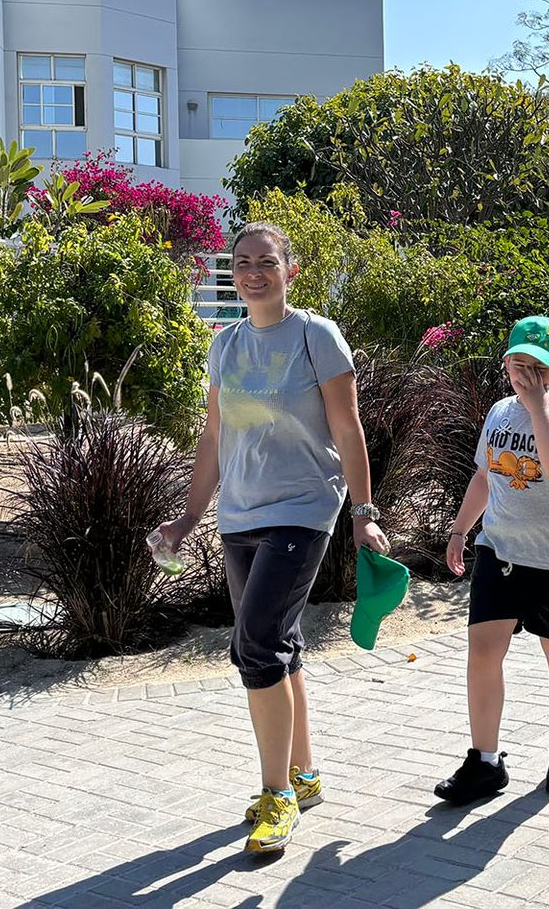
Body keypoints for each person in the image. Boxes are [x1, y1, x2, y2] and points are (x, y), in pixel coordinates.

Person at [149, 222, 391, 856]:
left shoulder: (316, 336)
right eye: (243, 263)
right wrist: (188, 516)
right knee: (278, 647)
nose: (254, 272)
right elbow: (213, 440)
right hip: (240, 515)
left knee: (254, 643)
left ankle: (276, 795)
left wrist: (363, 512)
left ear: (290, 270)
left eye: (267, 262)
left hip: (305, 509)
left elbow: (349, 427)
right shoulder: (225, 346)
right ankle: (304, 776)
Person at [435, 316, 549, 805]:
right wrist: (462, 529)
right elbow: (485, 477)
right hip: (499, 550)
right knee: (483, 652)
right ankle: (485, 761)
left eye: (539, 370)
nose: (527, 377)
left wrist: (539, 409)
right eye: (518, 365)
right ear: (506, 363)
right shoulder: (499, 413)